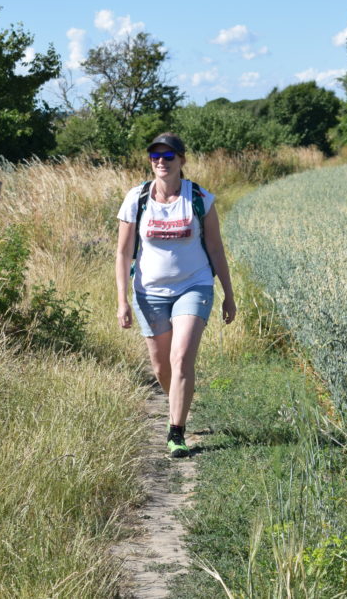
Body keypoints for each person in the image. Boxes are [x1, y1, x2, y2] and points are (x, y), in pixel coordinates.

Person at [115, 133, 236, 458]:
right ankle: (179, 403)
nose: (161, 161)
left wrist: (228, 294)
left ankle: (176, 431)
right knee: (161, 367)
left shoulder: (199, 198)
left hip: (193, 286)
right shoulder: (137, 198)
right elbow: (124, 252)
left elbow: (215, 248)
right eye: (155, 155)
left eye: (169, 156)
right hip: (148, 292)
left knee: (181, 358)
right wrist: (122, 300)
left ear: (182, 161)